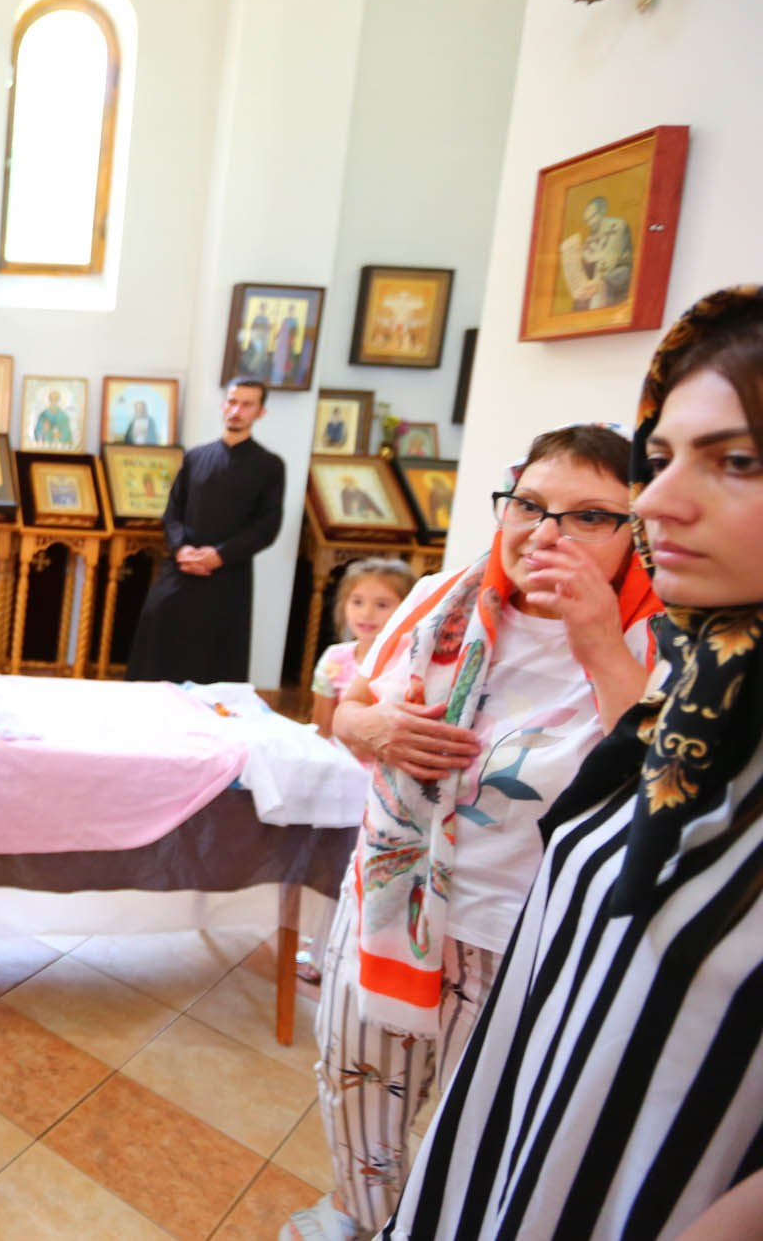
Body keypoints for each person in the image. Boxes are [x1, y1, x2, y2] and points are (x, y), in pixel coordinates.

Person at [381, 287, 763, 1240]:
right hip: (510, 1158)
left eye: (739, 461)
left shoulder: (646, 643)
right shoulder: (701, 683)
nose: (663, 501)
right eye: (664, 455)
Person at [285, 424, 661, 1241]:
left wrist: (595, 634)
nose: (545, 531)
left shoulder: (661, 639)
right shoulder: (437, 600)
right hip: (387, 900)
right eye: (529, 502)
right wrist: (377, 728)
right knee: (355, 1086)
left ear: (638, 529)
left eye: (589, 515)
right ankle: (361, 1213)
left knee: (480, 1122)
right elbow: (346, 712)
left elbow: (657, 783)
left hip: (519, 933)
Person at [126, 377, 285, 683]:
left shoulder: (269, 465)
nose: (236, 410)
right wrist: (182, 549)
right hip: (181, 566)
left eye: (247, 404)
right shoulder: (196, 456)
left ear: (260, 412)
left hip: (226, 574)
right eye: (232, 401)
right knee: (157, 638)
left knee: (214, 656)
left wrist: (219, 555)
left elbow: (267, 526)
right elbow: (172, 511)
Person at [310, 558, 415, 740]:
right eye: (357, 602)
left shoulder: (411, 664)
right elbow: (322, 731)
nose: (366, 613)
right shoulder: (334, 659)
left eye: (382, 605)